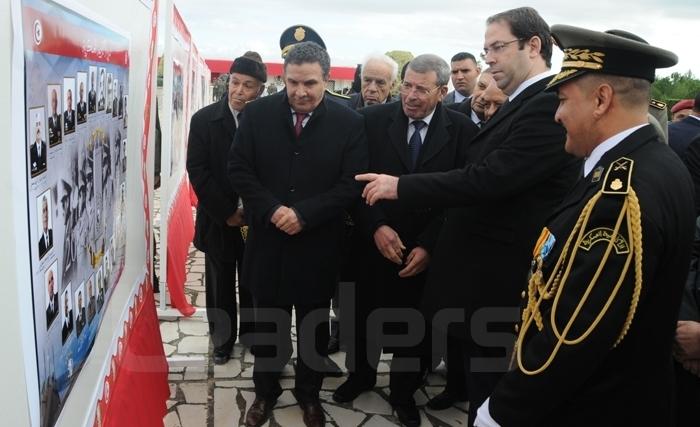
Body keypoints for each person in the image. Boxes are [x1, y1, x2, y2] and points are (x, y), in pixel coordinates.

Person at [356, 8, 580, 424]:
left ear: (534, 46)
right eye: (486, 49)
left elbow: (487, 179)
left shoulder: (545, 103)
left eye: (497, 47)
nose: (489, 59)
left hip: (496, 279)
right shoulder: (522, 102)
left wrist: (399, 186)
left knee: (489, 395)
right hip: (476, 277)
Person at [473, 24, 693, 427]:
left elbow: (575, 335)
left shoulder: (620, 196)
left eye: (562, 99)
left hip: (592, 407)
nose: (556, 114)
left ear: (601, 99)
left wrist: (502, 410)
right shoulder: (658, 164)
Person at [333, 54, 478, 427]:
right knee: (362, 316)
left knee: (416, 328)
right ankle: (361, 375)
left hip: (425, 250)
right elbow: (353, 183)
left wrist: (430, 245)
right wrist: (377, 227)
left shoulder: (463, 132)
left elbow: (462, 195)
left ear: (442, 92)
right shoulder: (370, 121)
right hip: (372, 241)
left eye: (422, 89)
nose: (411, 96)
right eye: (407, 86)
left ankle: (402, 392)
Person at [228, 41, 367, 427]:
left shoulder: (349, 123)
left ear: (327, 79)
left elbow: (350, 184)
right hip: (267, 242)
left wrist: (304, 214)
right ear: (282, 77)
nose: (300, 92)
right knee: (270, 327)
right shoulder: (257, 115)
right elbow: (239, 169)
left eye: (310, 83)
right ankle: (265, 392)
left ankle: (309, 395)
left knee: (313, 329)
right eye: (292, 83)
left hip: (318, 246)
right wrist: (273, 210)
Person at [187, 52, 265, 365]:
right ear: (227, 82)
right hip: (219, 218)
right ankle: (222, 339)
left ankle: (252, 333)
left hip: (256, 219)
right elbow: (198, 170)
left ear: (259, 89)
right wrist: (227, 211)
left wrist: (255, 208)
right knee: (219, 282)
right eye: (235, 83)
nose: (239, 91)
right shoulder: (204, 120)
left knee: (252, 279)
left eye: (248, 85)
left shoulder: (265, 121)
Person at [329, 53, 399, 356]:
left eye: (379, 82)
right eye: (366, 80)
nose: (371, 88)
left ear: (391, 85)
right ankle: (338, 331)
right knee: (339, 283)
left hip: (382, 215)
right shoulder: (340, 111)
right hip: (343, 215)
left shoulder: (398, 116)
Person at [278, 25, 352, 108]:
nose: (300, 93)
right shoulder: (267, 106)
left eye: (310, 83)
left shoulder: (343, 106)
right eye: (291, 58)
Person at [669, 93, 700, 160]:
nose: (685, 120)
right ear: (672, 117)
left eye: (689, 117)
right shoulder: (663, 133)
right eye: (681, 116)